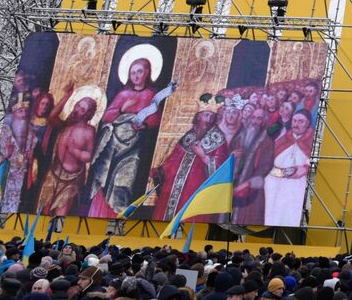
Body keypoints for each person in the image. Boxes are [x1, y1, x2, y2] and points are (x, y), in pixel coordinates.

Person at [84, 56, 166, 218]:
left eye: (139, 71)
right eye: (132, 72)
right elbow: (107, 116)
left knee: (124, 181)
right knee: (106, 179)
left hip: (134, 148)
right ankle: (100, 214)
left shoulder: (151, 95)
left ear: (148, 72)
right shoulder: (123, 94)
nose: (135, 76)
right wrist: (122, 110)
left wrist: (145, 125)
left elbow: (156, 118)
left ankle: (118, 216)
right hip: (113, 146)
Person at [152, 110, 227, 223]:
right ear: (198, 118)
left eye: (212, 116)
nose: (210, 118)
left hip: (196, 187)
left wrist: (202, 155)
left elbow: (222, 168)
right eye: (206, 115)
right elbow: (174, 158)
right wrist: (160, 171)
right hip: (175, 185)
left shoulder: (218, 139)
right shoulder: (189, 136)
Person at [36, 94, 99, 216]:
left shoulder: (89, 131)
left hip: (72, 180)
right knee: (44, 209)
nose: (77, 110)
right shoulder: (66, 125)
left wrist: (74, 150)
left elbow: (89, 156)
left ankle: (57, 234)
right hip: (54, 173)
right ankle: (40, 234)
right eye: (77, 105)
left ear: (88, 114)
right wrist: (66, 96)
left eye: (82, 109)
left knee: (62, 212)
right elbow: (52, 116)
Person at [264, 111, 314, 226]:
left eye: (301, 121)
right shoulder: (283, 139)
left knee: (290, 216)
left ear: (308, 124)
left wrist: (305, 168)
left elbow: (313, 164)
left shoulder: (311, 142)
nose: (296, 124)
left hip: (296, 186)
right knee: (272, 214)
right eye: (295, 121)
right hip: (275, 183)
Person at [231, 101, 276, 225]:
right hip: (232, 184)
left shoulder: (267, 142)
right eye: (253, 118)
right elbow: (228, 156)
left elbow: (265, 167)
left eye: (259, 118)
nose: (255, 121)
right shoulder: (240, 137)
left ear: (264, 122)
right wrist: (232, 155)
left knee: (245, 221)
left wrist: (244, 185)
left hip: (250, 190)